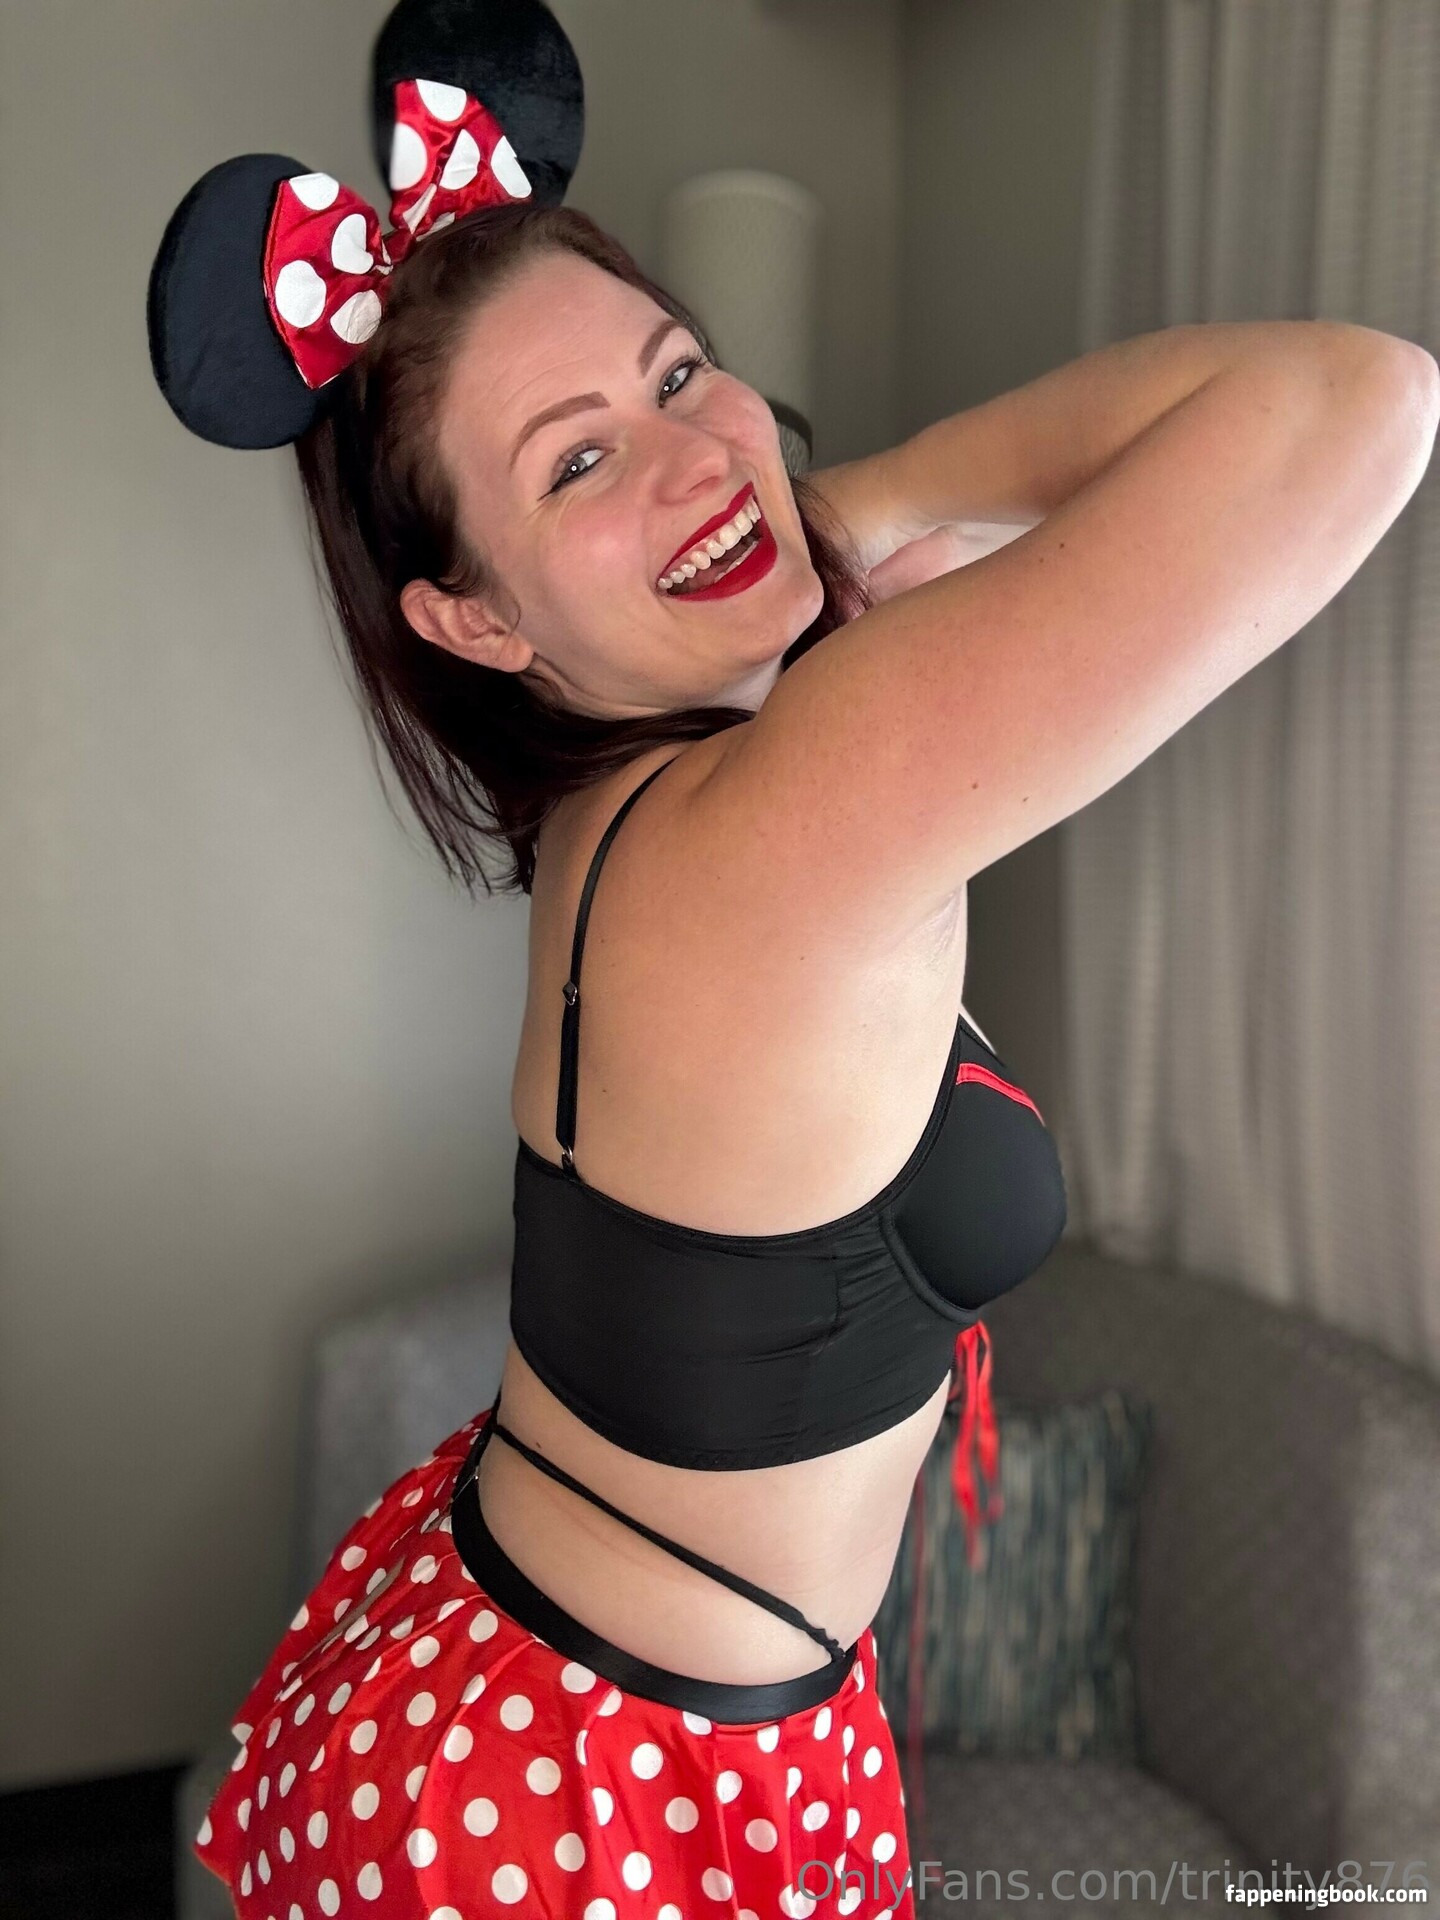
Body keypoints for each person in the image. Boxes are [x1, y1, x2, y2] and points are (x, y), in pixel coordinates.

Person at [151, 38, 1437, 1917]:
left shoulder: (639, 806)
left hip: (553, 1692)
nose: (690, 457)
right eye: (578, 459)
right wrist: (840, 508)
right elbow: (1356, 405)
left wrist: (807, 531)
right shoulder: (778, 820)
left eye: (680, 373)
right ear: (474, 617)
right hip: (596, 1794)